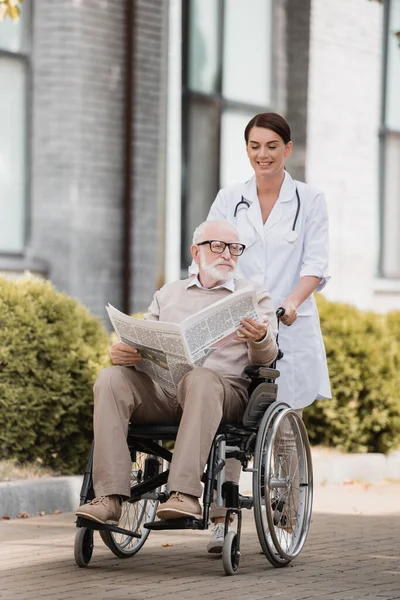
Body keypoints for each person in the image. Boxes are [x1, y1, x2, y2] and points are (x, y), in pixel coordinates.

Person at [76, 220, 278, 530]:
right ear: (196, 252)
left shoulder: (253, 294)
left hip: (224, 394)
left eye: (235, 248)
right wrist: (125, 354)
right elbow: (142, 343)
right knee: (110, 378)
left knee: (200, 378)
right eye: (218, 246)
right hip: (165, 391)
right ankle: (108, 498)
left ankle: (184, 493)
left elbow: (267, 359)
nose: (228, 254)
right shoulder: (168, 294)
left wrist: (259, 338)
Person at [190, 112, 331, 543]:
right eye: (255, 146)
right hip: (238, 326)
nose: (263, 154)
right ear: (246, 149)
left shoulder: (310, 200)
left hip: (290, 324)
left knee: (284, 424)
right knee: (229, 427)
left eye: (272, 146)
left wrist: (289, 303)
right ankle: (221, 518)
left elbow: (316, 266)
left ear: (287, 149)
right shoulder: (230, 198)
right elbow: (208, 251)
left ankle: (285, 516)